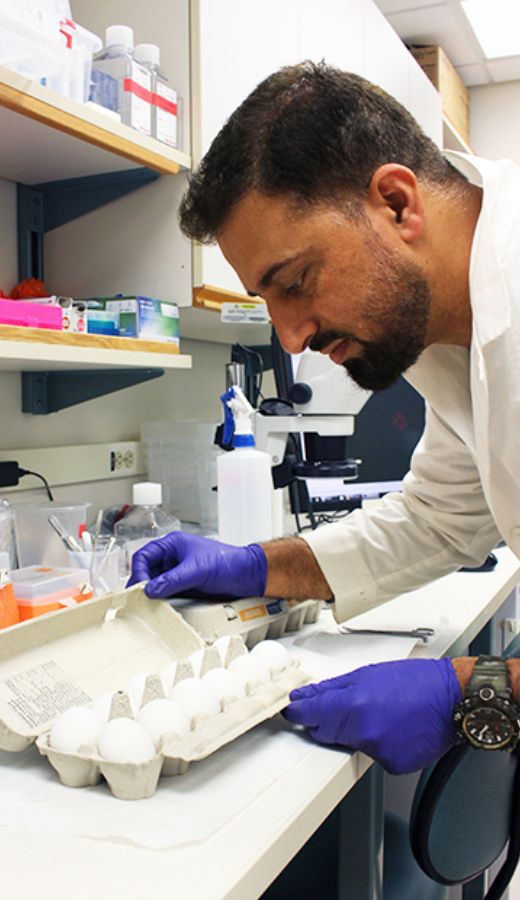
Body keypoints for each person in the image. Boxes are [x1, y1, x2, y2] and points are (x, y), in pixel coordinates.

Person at [129, 61, 520, 774]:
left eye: (296, 282)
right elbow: (437, 520)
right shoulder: (443, 332)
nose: (290, 337)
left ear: (398, 204)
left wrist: (477, 690)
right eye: (266, 300)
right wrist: (259, 568)